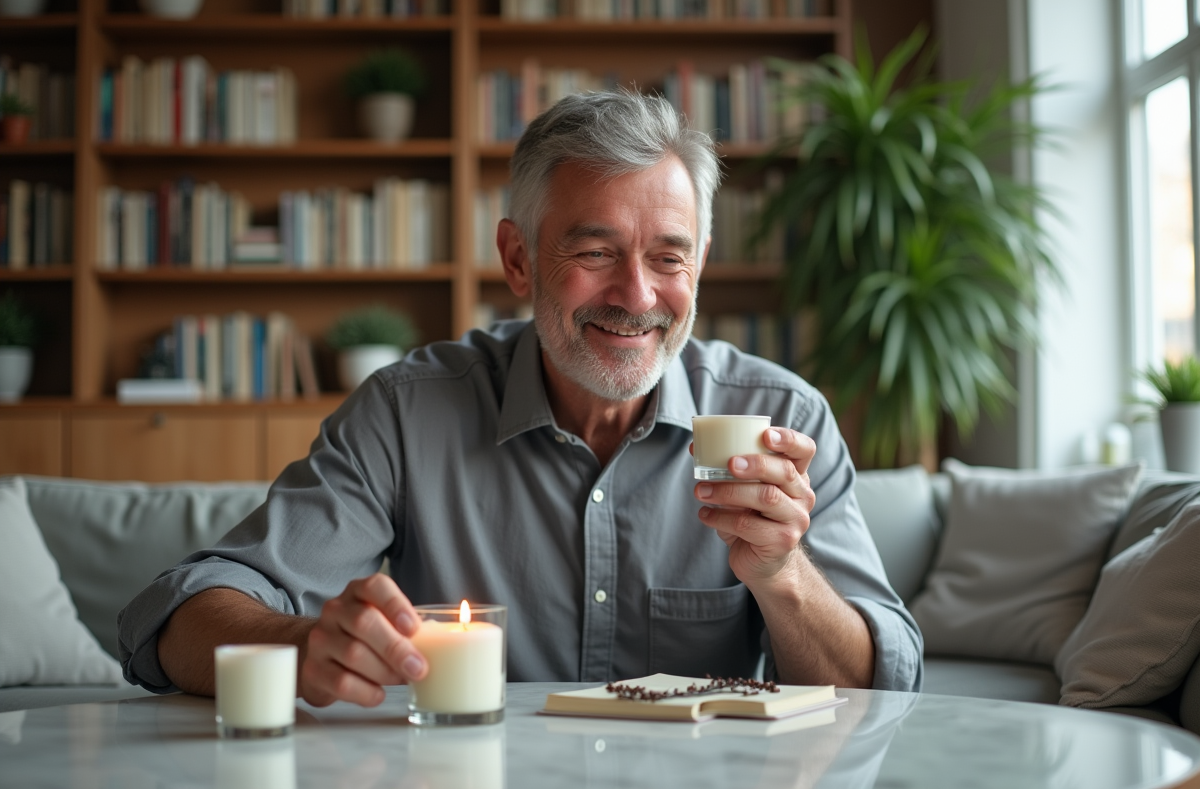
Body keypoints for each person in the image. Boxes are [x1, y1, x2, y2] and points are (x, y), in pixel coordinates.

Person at [118, 90, 922, 707]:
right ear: (518, 259)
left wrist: (783, 576)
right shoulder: (408, 414)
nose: (637, 295)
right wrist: (302, 646)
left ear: (701, 262)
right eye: (596, 250)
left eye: (669, 258)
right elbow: (178, 617)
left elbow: (880, 688)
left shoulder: (785, 418)